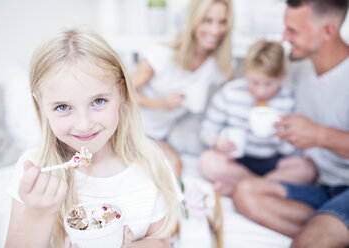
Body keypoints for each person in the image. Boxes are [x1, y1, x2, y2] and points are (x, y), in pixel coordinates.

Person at [4, 27, 181, 248]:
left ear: (121, 92)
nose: (84, 124)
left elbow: (162, 241)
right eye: (63, 107)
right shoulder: (35, 170)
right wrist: (38, 215)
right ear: (40, 105)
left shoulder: (151, 164)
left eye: (98, 101)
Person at [232, 0, 349, 247]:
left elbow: (317, 134)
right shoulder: (299, 68)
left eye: (292, 30)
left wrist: (319, 135)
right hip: (320, 187)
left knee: (310, 241)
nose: (284, 38)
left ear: (328, 31)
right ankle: (330, 225)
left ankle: (327, 227)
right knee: (244, 193)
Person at [199, 40, 317, 196]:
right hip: (238, 160)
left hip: (274, 162)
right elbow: (207, 130)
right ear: (244, 72)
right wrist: (217, 141)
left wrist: (279, 136)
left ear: (282, 76)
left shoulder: (288, 100)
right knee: (207, 160)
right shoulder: (229, 93)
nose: (261, 92)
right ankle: (259, 188)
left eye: (269, 84)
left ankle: (243, 188)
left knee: (307, 169)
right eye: (254, 82)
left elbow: (295, 149)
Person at [131, 0, 234, 176]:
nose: (215, 30)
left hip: (160, 135)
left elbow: (231, 96)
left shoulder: (216, 65)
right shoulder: (162, 54)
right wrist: (160, 104)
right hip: (133, 128)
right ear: (193, 21)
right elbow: (123, 91)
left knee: (174, 169)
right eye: (207, 20)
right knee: (167, 167)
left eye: (222, 22)